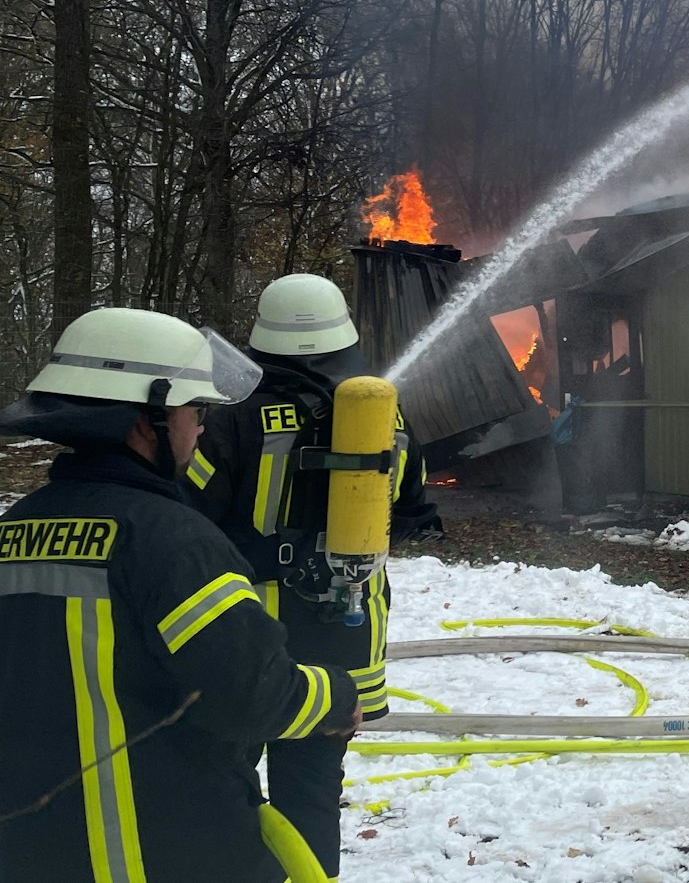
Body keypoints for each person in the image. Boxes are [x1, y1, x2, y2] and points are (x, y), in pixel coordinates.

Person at [0, 307, 360, 883]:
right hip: (161, 850)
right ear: (149, 420)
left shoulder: (16, 528)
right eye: (196, 411)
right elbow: (250, 693)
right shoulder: (174, 541)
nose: (200, 430)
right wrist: (335, 695)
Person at [185, 274, 439, 880]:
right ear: (343, 333)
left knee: (228, 782)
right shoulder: (380, 409)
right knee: (313, 792)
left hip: (246, 635)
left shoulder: (229, 417)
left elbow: (186, 520)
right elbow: (409, 506)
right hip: (344, 637)